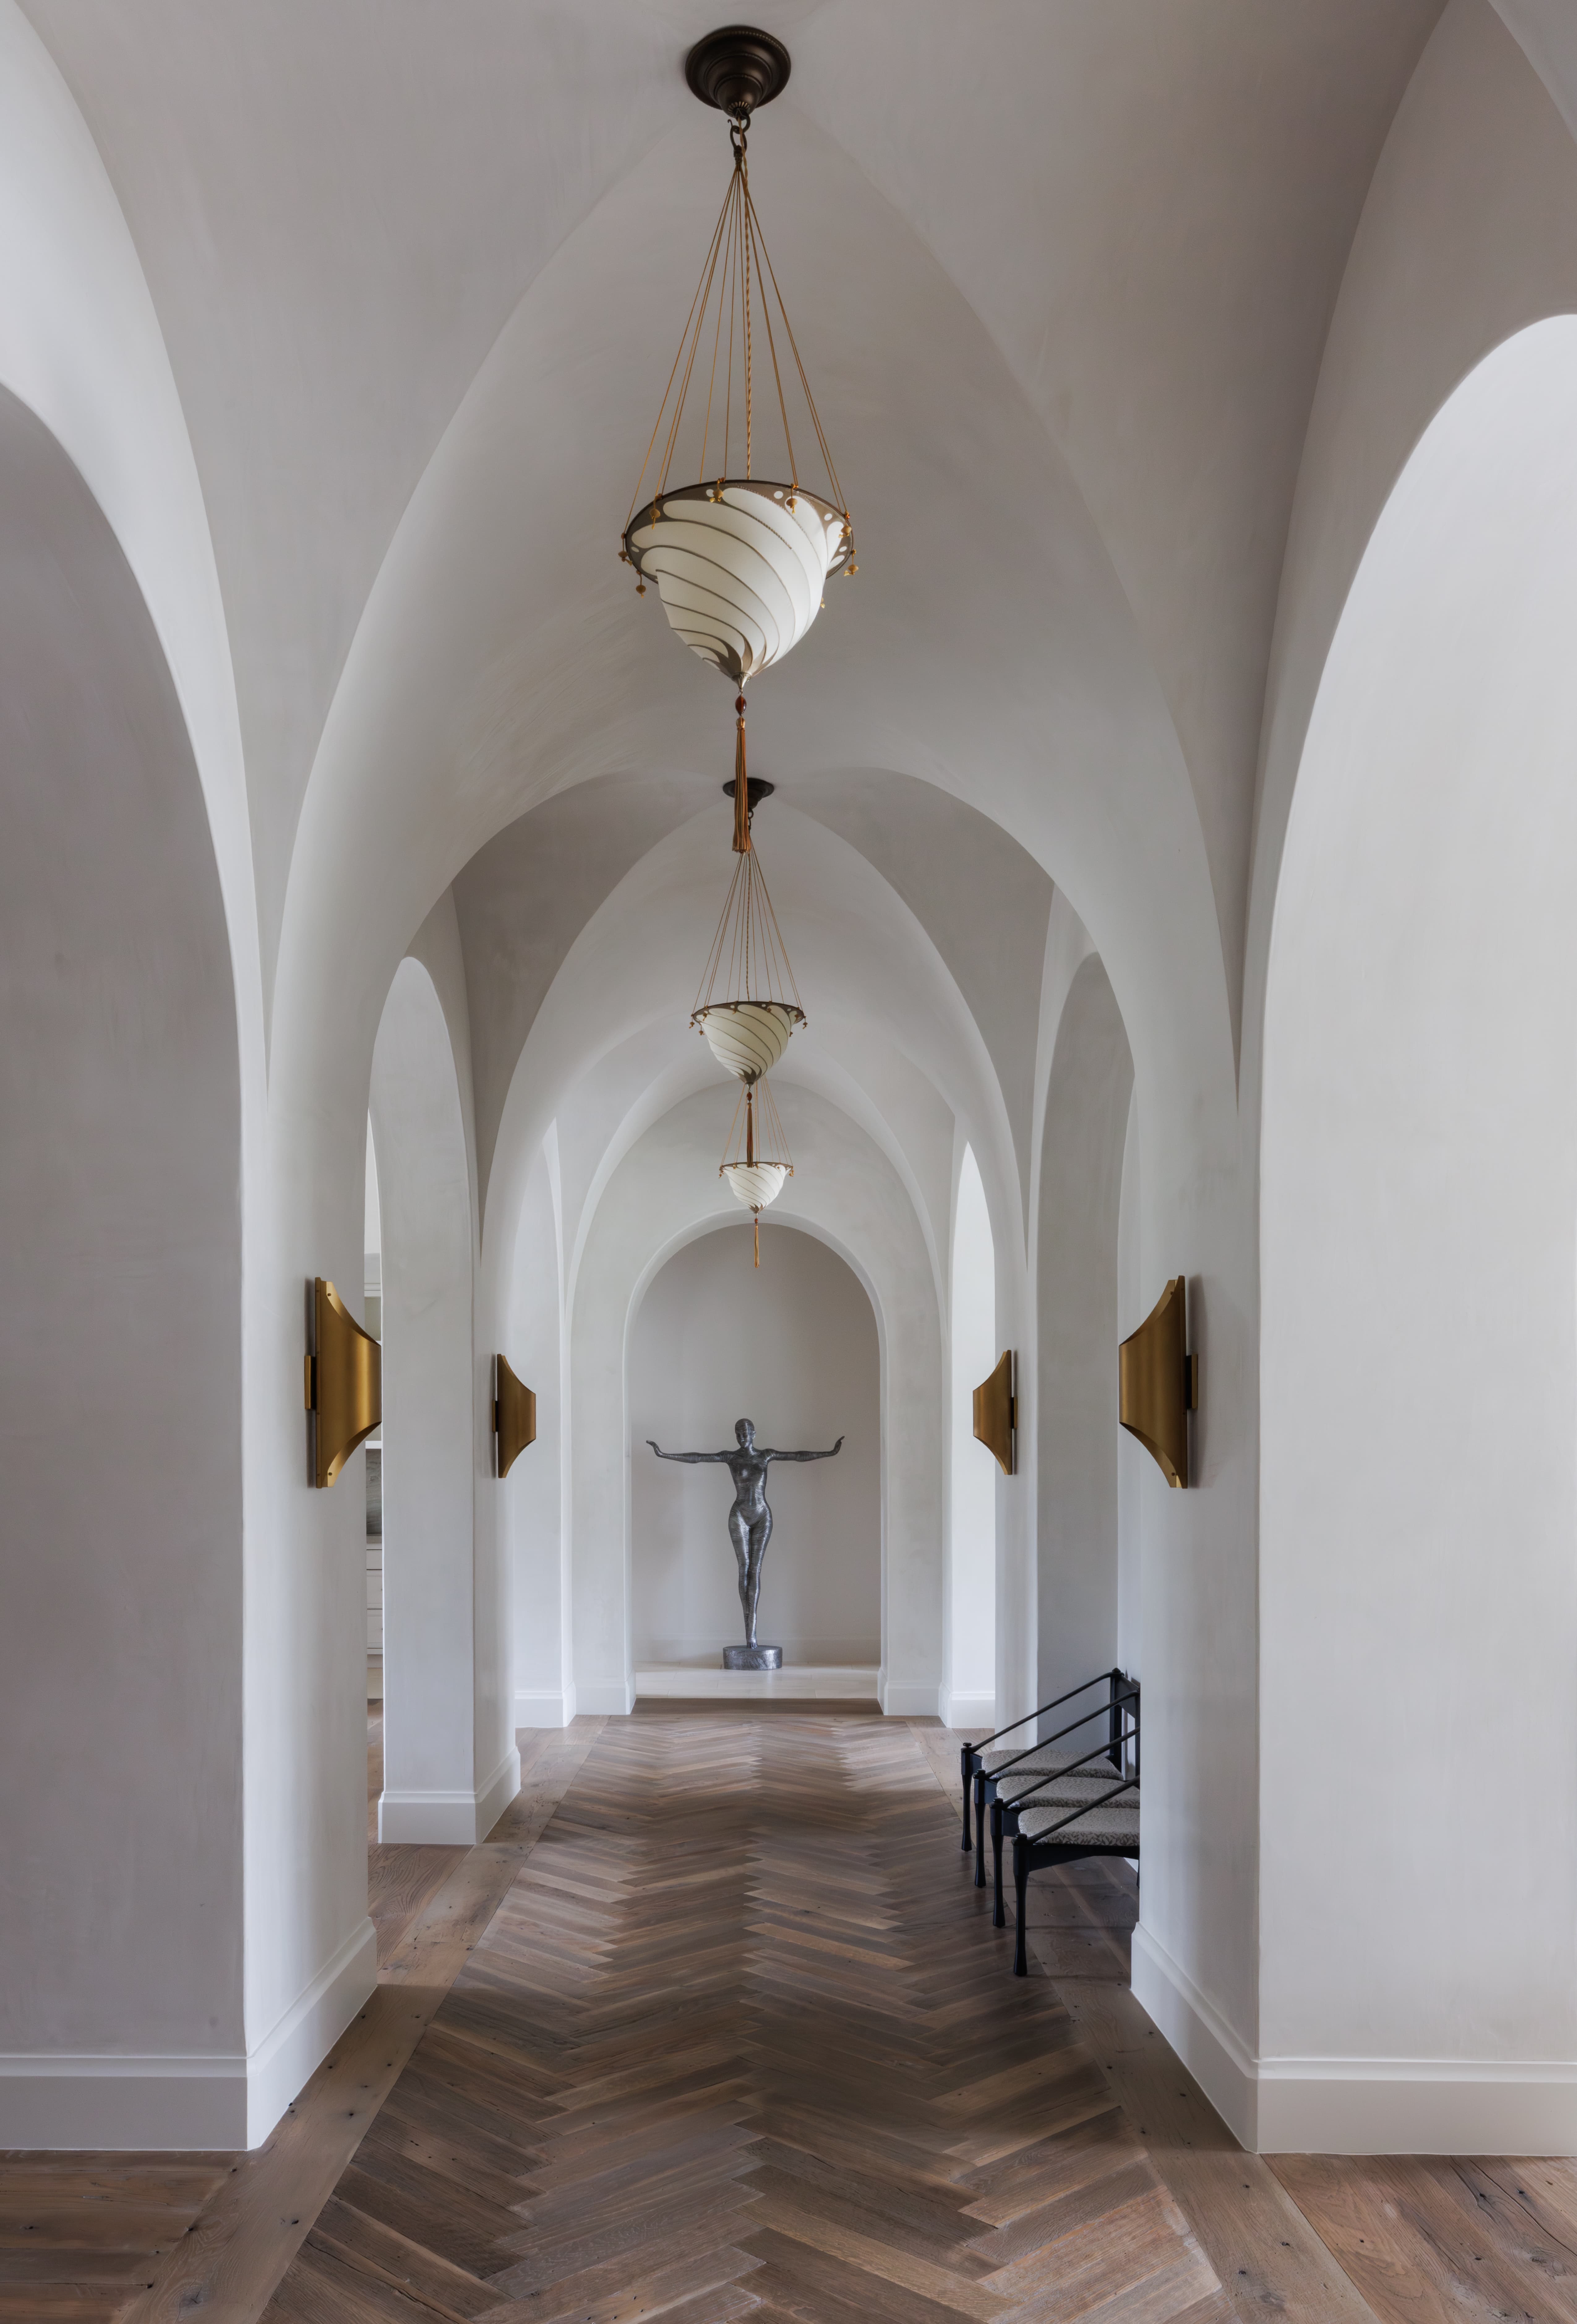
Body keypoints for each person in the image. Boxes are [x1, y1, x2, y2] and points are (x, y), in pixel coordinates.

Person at [647, 1418, 843, 1648]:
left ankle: (753, 1632)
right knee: (744, 1569)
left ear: (754, 1433)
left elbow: (797, 1455)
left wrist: (830, 1453)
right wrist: (663, 1454)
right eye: (738, 1433)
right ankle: (749, 1633)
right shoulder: (731, 1457)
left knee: (756, 1570)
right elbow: (698, 1458)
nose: (742, 1437)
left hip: (762, 1516)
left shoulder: (766, 1455)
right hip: (739, 1514)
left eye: (746, 1432)